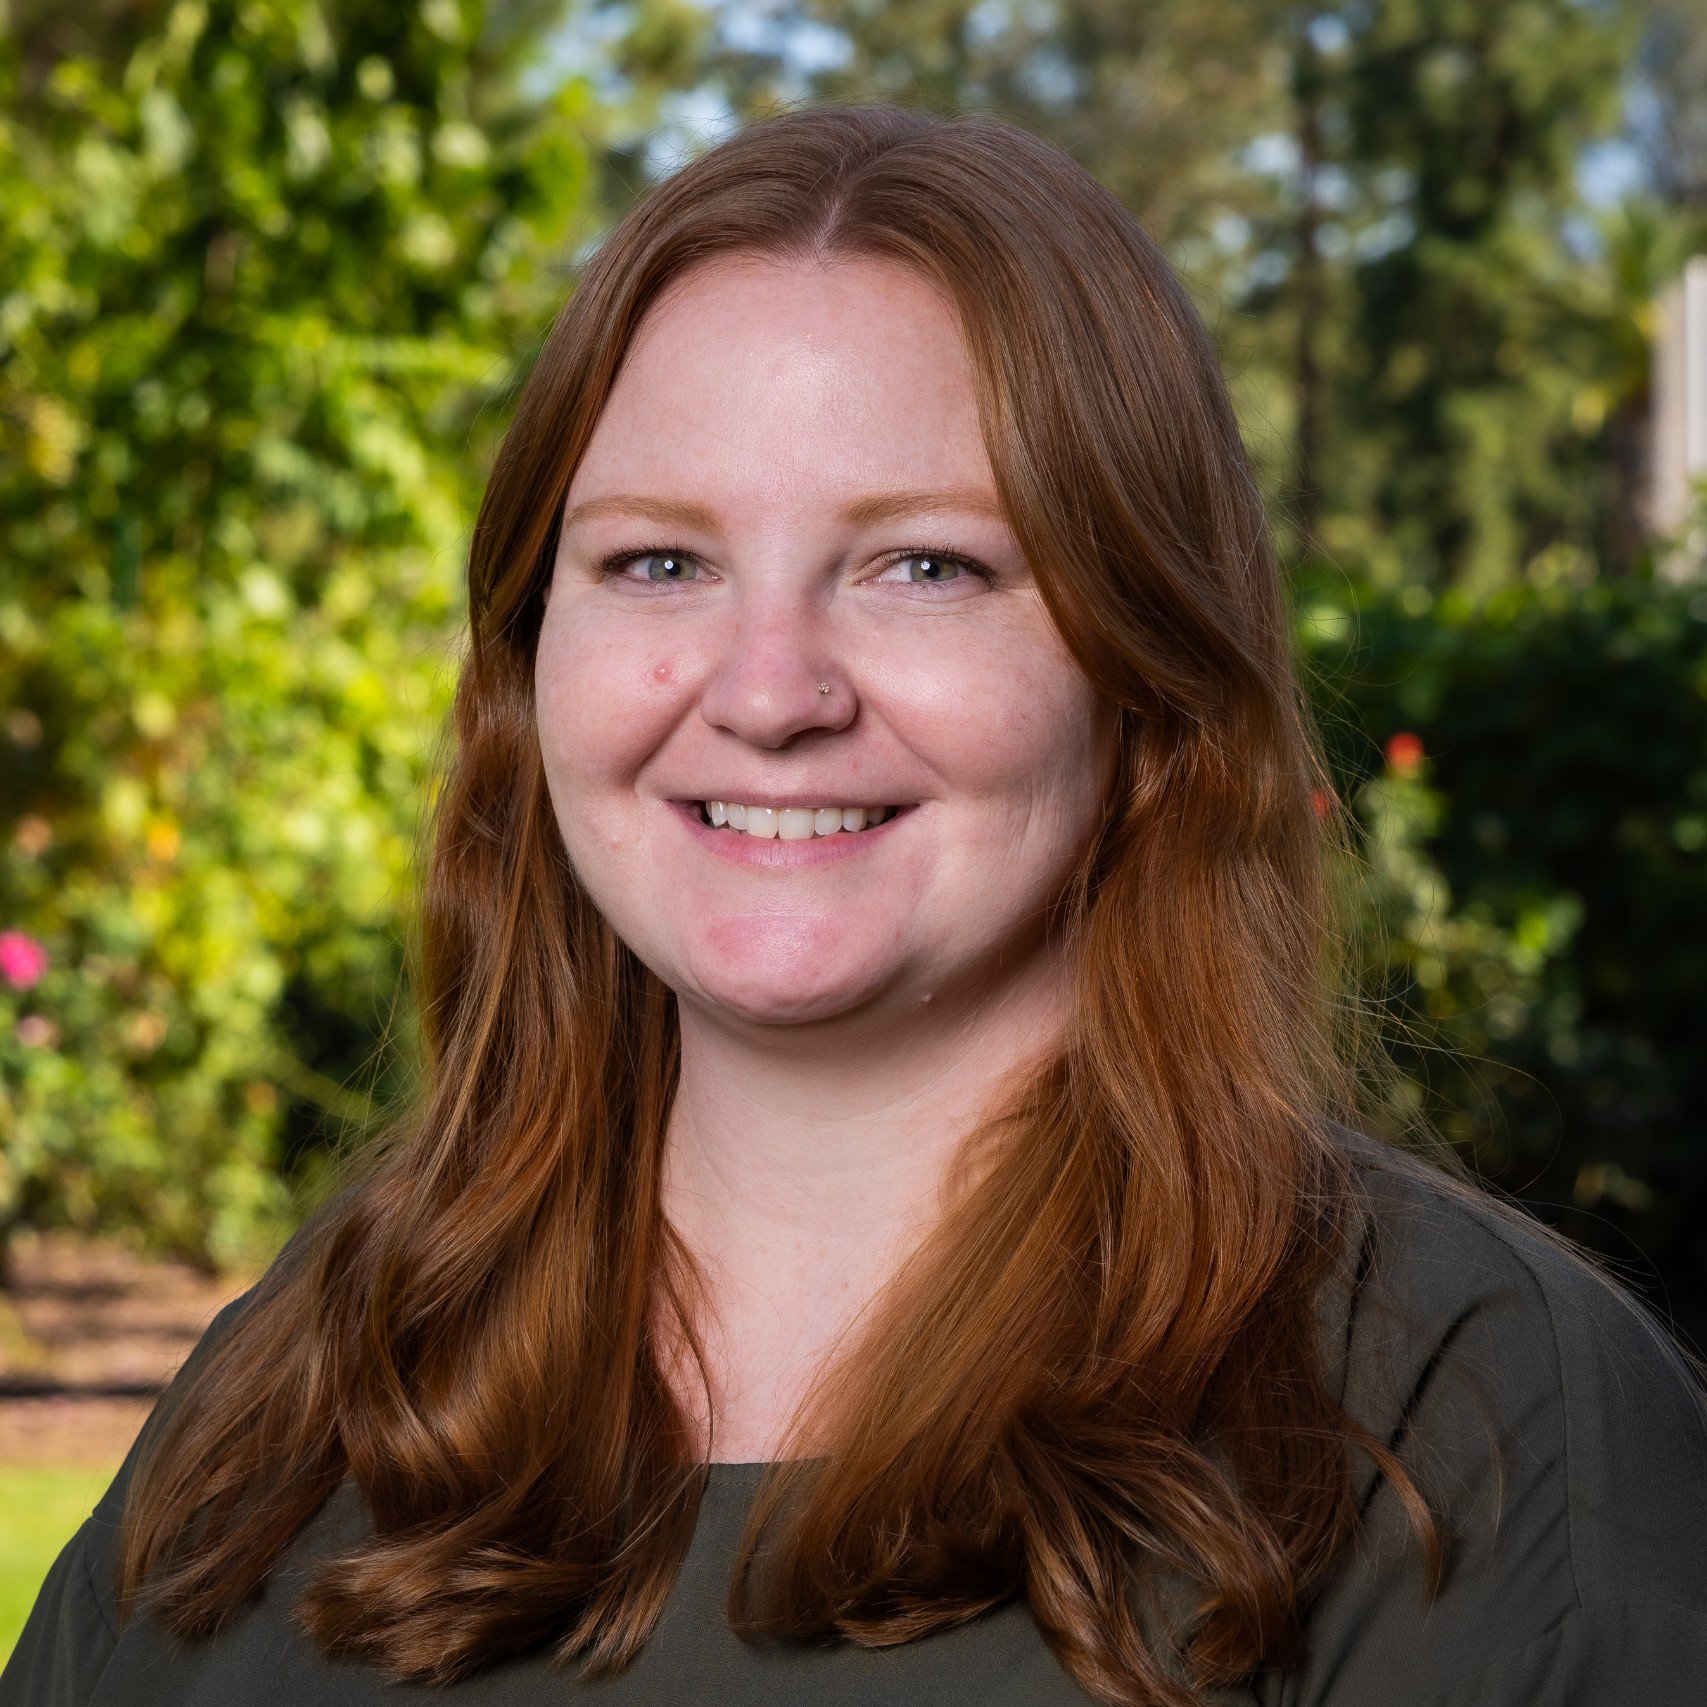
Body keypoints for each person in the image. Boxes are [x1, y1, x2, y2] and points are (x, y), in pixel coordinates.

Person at [7, 103, 1707, 1707]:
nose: (768, 691)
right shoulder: (301, 1386)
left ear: (1149, 679)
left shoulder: (1469, 1427)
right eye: (658, 560)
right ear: (530, 670)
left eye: (926, 566)